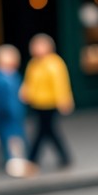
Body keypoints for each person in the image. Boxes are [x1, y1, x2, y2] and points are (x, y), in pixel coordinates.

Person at [20, 33, 73, 169]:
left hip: (50, 103)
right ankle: (64, 157)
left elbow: (60, 83)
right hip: (37, 103)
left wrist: (64, 100)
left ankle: (32, 158)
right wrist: (26, 91)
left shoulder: (54, 63)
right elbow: (29, 81)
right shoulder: (34, 63)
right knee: (48, 131)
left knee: (43, 131)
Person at [0, 44, 30, 175]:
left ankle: (15, 161)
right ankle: (13, 163)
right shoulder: (0, 79)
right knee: (11, 139)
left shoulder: (13, 76)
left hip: (15, 114)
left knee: (15, 138)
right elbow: (0, 99)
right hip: (7, 114)